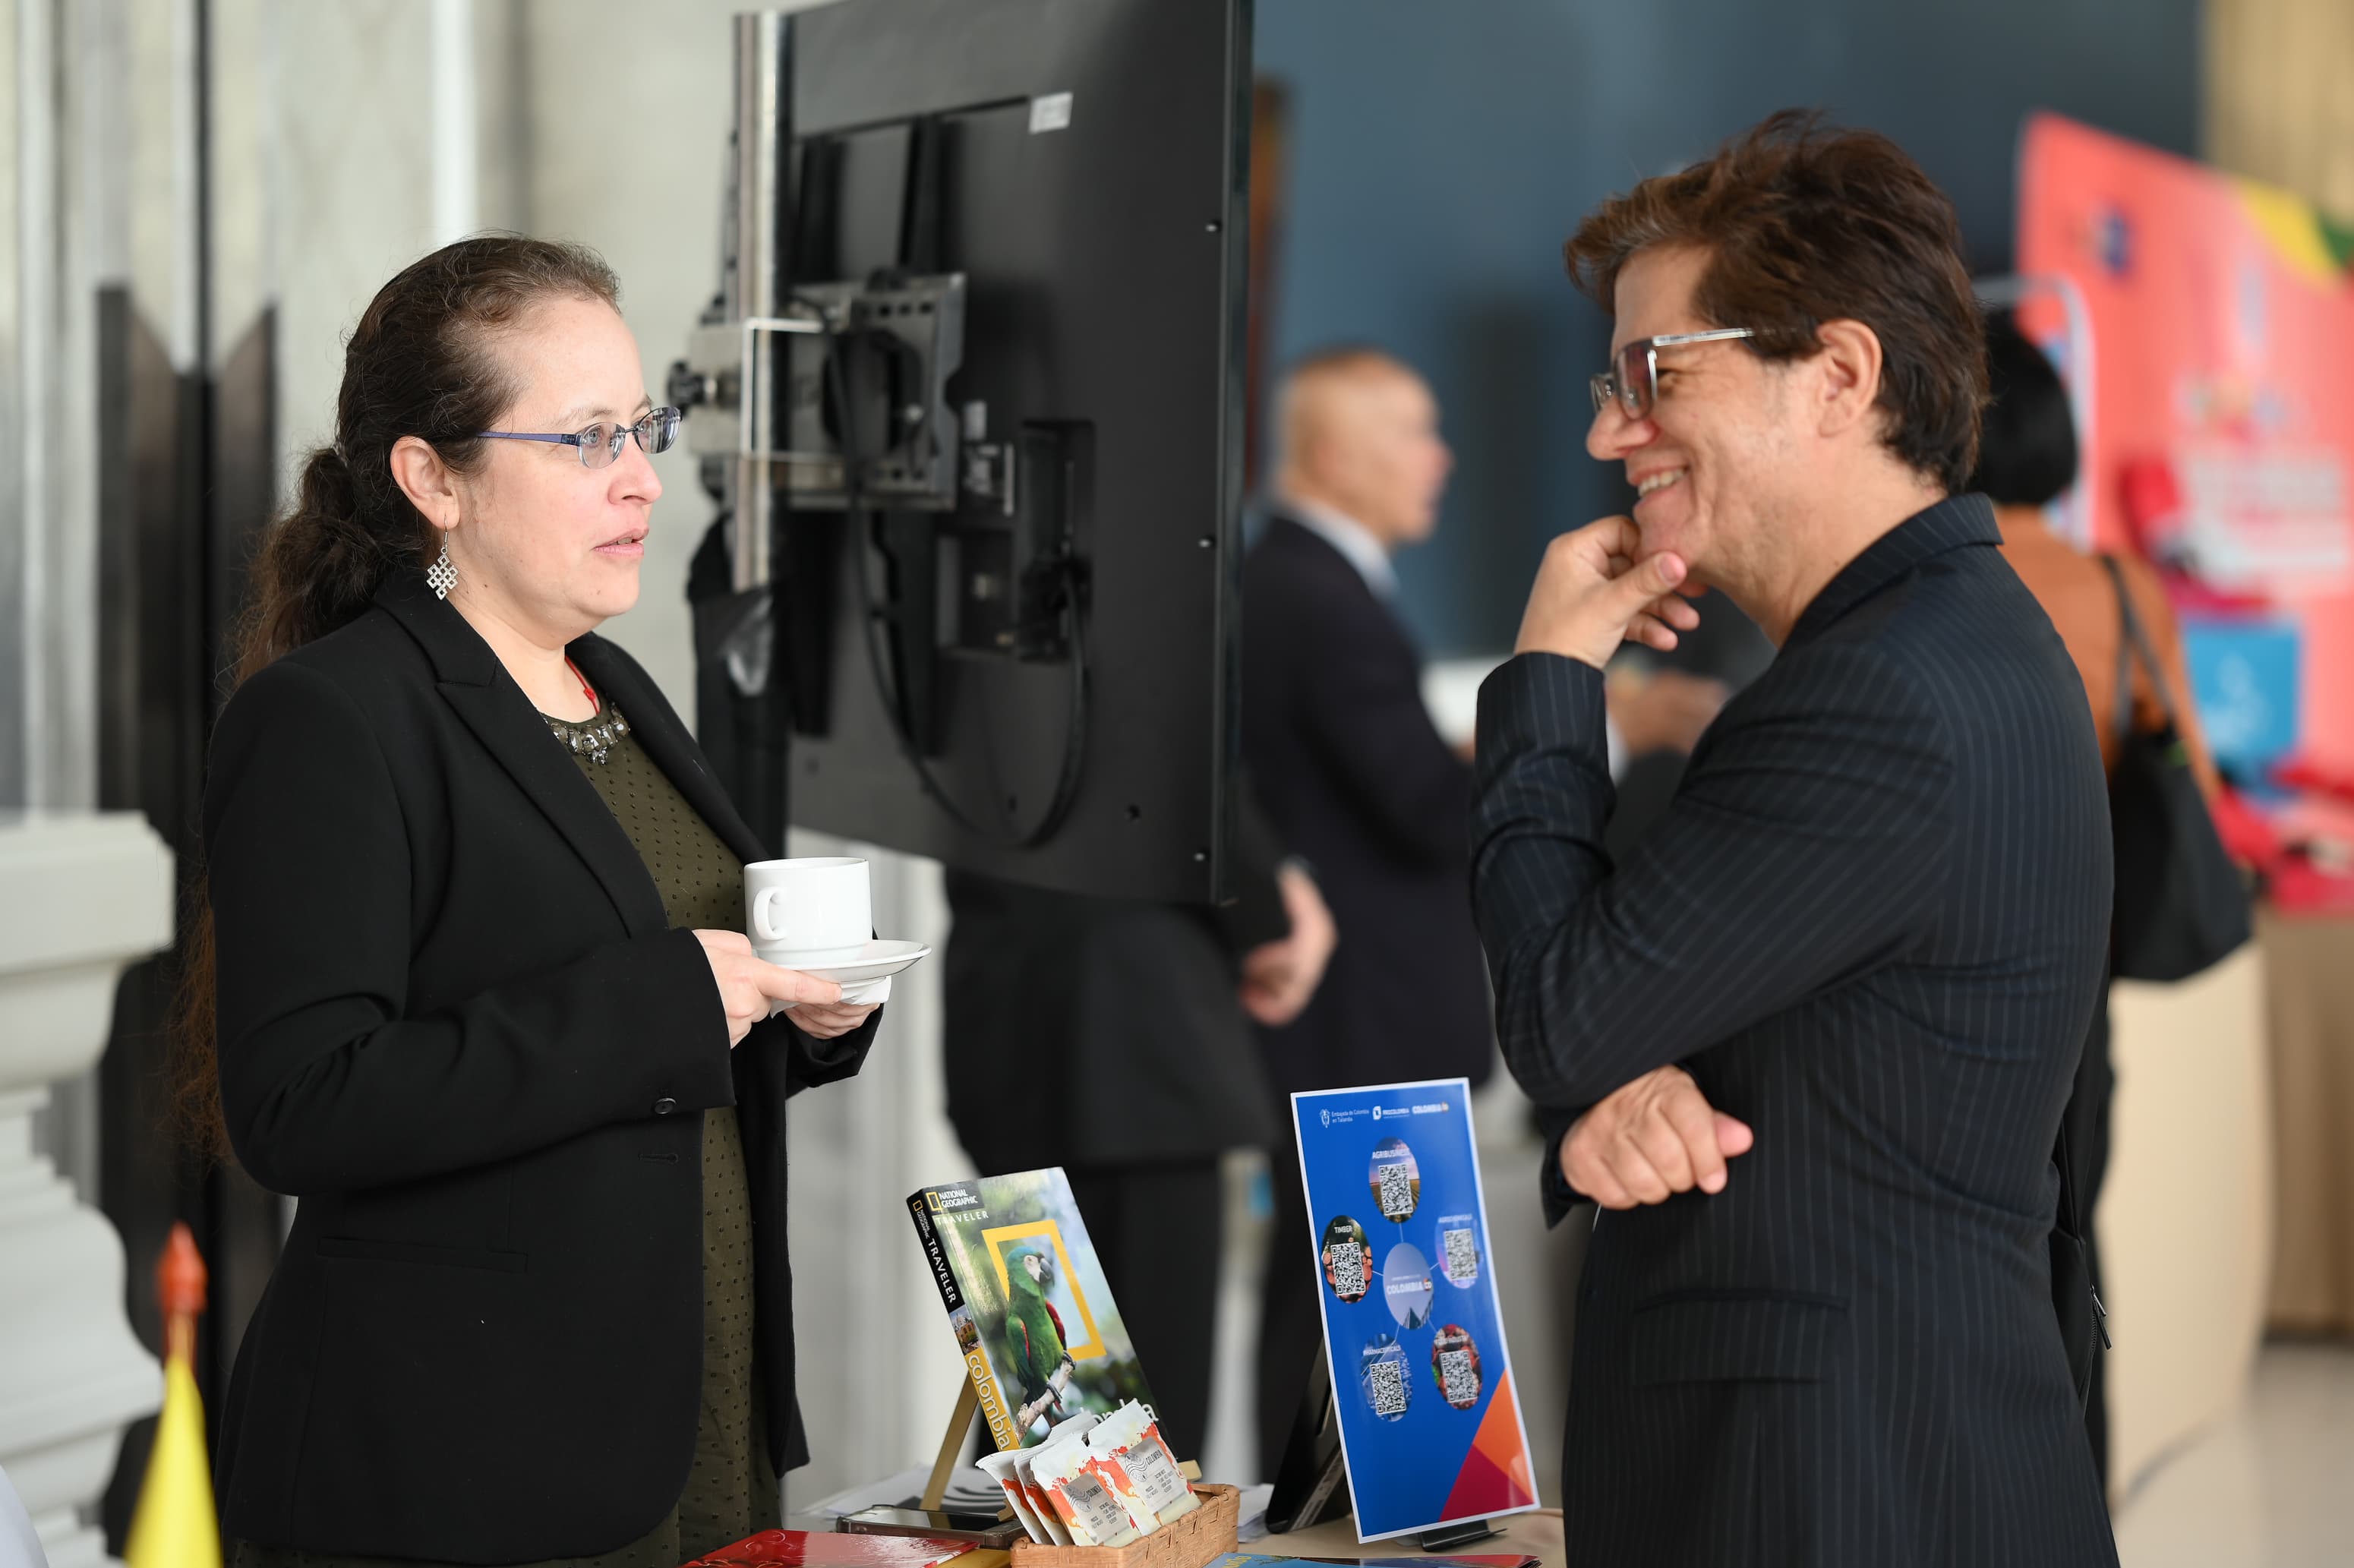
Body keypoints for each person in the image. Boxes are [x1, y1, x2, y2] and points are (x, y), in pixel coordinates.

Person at [1471, 113, 2117, 1564]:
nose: (1605, 431)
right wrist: (1618, 1107)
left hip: (1842, 1487)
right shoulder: (1946, 642)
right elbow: (1754, 1030)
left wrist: (1550, 681)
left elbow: (1567, 1014)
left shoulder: (1880, 695)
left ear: (1837, 376)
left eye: (1652, 375)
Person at [185, 237, 882, 1566]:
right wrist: (671, 1000)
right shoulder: (331, 718)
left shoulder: (613, 686)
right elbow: (302, 1104)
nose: (640, 478)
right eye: (581, 440)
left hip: (685, 1405)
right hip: (470, 1456)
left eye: (642, 427)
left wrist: (802, 1021)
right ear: (430, 478)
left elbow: (664, 1038)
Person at [1239, 348, 1499, 1475]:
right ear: (1336, 455)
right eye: (1414, 431)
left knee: (1345, 1300)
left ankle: (1333, 1517)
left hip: (1354, 1021)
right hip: (1363, 1027)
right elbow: (1428, 811)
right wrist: (1592, 734)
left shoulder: (1299, 581)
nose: (1440, 458)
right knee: (1346, 1303)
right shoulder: (1318, 595)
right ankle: (1329, 1526)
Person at [1974, 311, 2223, 1488]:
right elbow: (2193, 769)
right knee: (2076, 1242)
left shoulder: (1934, 587)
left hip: (1953, 963)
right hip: (2088, 963)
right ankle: (2081, 1492)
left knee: (1977, 1251)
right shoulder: (2120, 586)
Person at [941, 797, 1334, 1462]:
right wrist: (1273, 907)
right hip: (1143, 1016)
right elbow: (1180, 752)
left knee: (1033, 1395)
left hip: (1009, 998)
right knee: (1144, 1433)